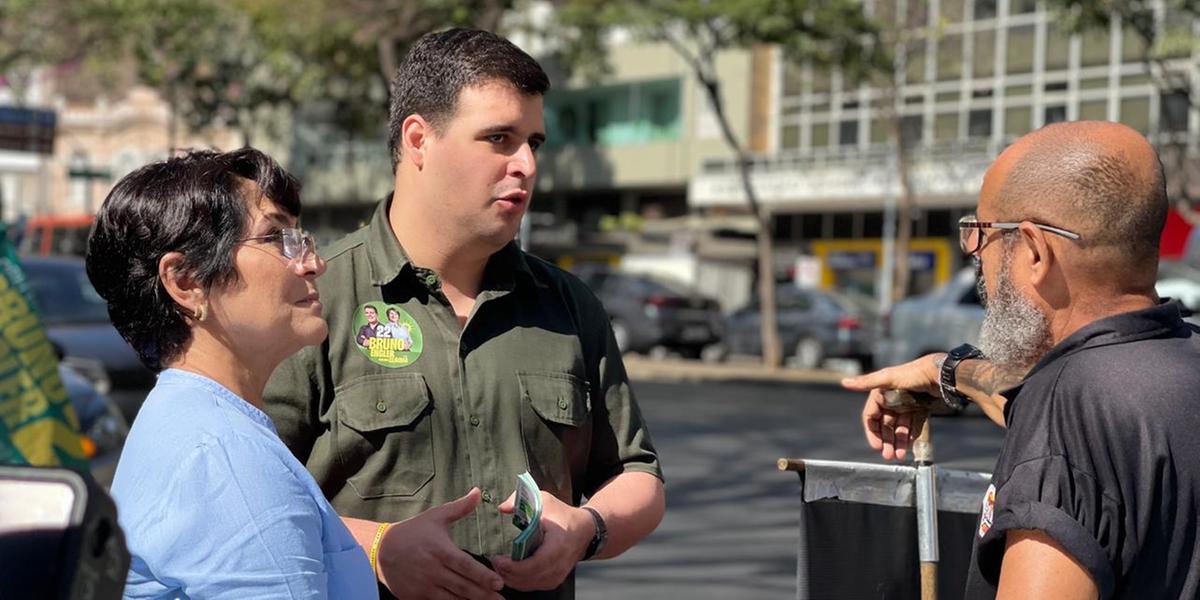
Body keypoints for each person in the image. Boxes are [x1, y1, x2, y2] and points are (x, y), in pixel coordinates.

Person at [264, 28, 665, 600]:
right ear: (419, 139)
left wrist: (588, 528)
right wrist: (376, 548)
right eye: (499, 138)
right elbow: (247, 497)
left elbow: (637, 475)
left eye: (535, 142)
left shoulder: (570, 306)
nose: (526, 164)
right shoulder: (314, 298)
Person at [843, 121, 1200, 598]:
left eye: (981, 235)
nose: (977, 257)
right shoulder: (1177, 355)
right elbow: (1034, 402)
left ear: (1034, 250)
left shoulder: (1068, 413)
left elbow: (1060, 429)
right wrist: (945, 370)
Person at [88, 149, 377, 598]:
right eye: (276, 237)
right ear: (185, 281)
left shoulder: (198, 424)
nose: (313, 263)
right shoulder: (225, 455)